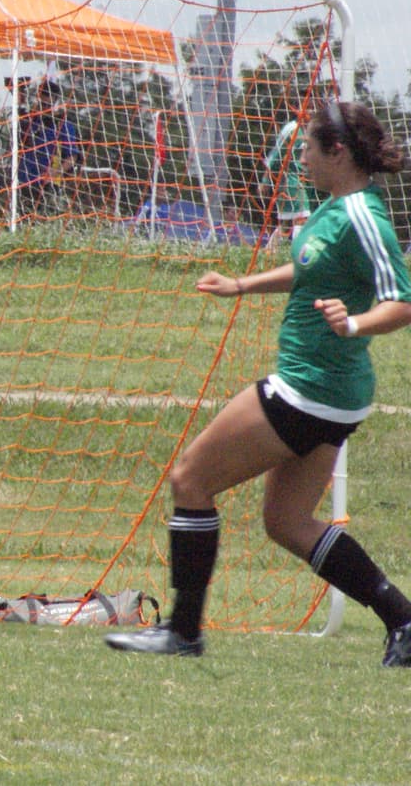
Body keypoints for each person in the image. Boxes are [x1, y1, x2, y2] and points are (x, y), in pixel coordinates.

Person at [105, 100, 411, 667]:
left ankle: (184, 631)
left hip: (309, 387)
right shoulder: (332, 209)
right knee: (287, 523)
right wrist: (241, 285)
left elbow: (402, 299)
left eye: (308, 149)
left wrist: (356, 323)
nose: (300, 160)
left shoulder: (365, 216)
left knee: (191, 478)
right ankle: (403, 618)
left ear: (337, 152)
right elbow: (311, 269)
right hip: (330, 393)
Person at [15, 79, 81, 217]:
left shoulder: (62, 125)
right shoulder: (29, 121)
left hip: (48, 184)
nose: (44, 107)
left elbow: (72, 156)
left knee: (43, 219)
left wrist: (56, 171)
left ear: (55, 103)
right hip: (23, 180)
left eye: (47, 105)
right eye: (41, 103)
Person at [260, 112, 318, 250]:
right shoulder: (292, 129)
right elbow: (275, 154)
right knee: (302, 220)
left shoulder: (308, 130)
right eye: (307, 106)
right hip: (290, 182)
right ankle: (297, 254)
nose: (310, 110)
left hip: (300, 181)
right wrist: (266, 180)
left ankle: (269, 251)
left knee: (286, 224)